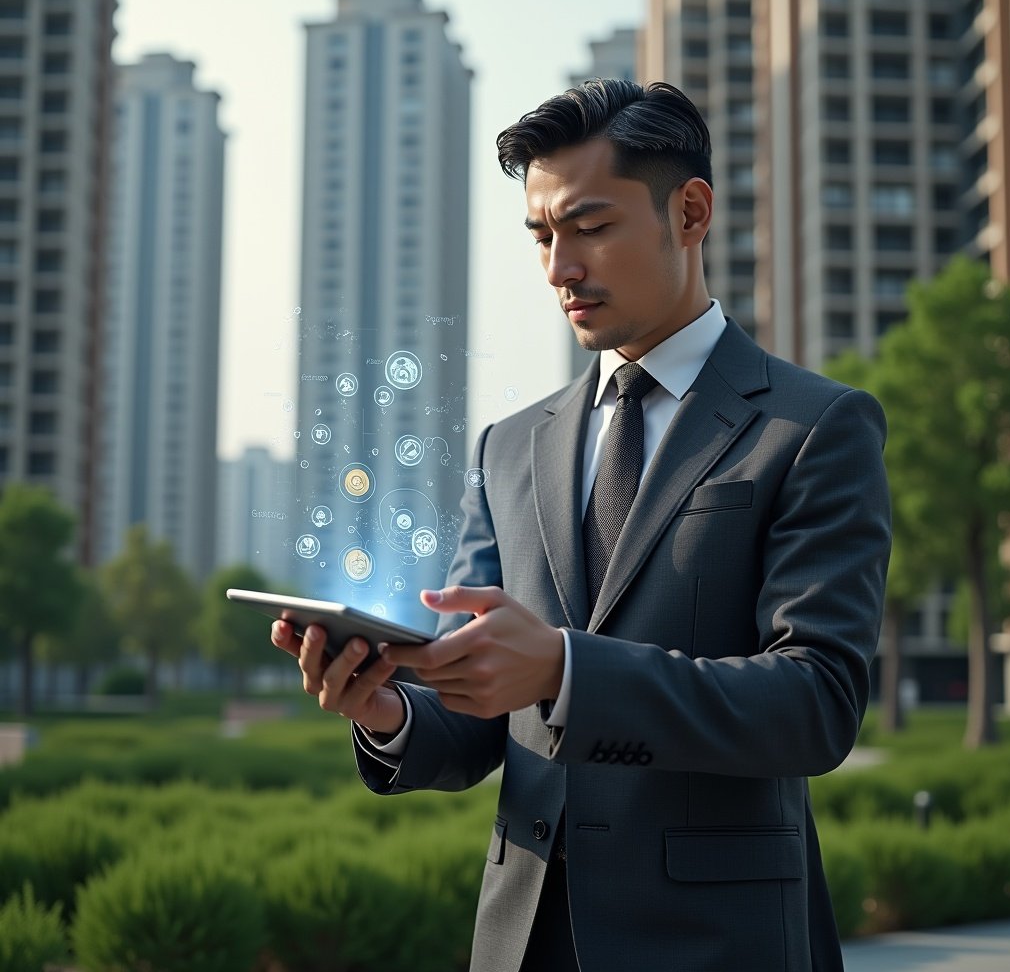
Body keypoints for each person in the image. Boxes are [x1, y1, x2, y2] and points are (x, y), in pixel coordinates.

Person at [272, 79, 891, 972]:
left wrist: (567, 668)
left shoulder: (812, 427)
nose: (561, 268)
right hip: (523, 943)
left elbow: (816, 703)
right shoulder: (511, 447)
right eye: (541, 235)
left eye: (590, 227)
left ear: (689, 212)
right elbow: (471, 717)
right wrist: (384, 709)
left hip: (719, 947)